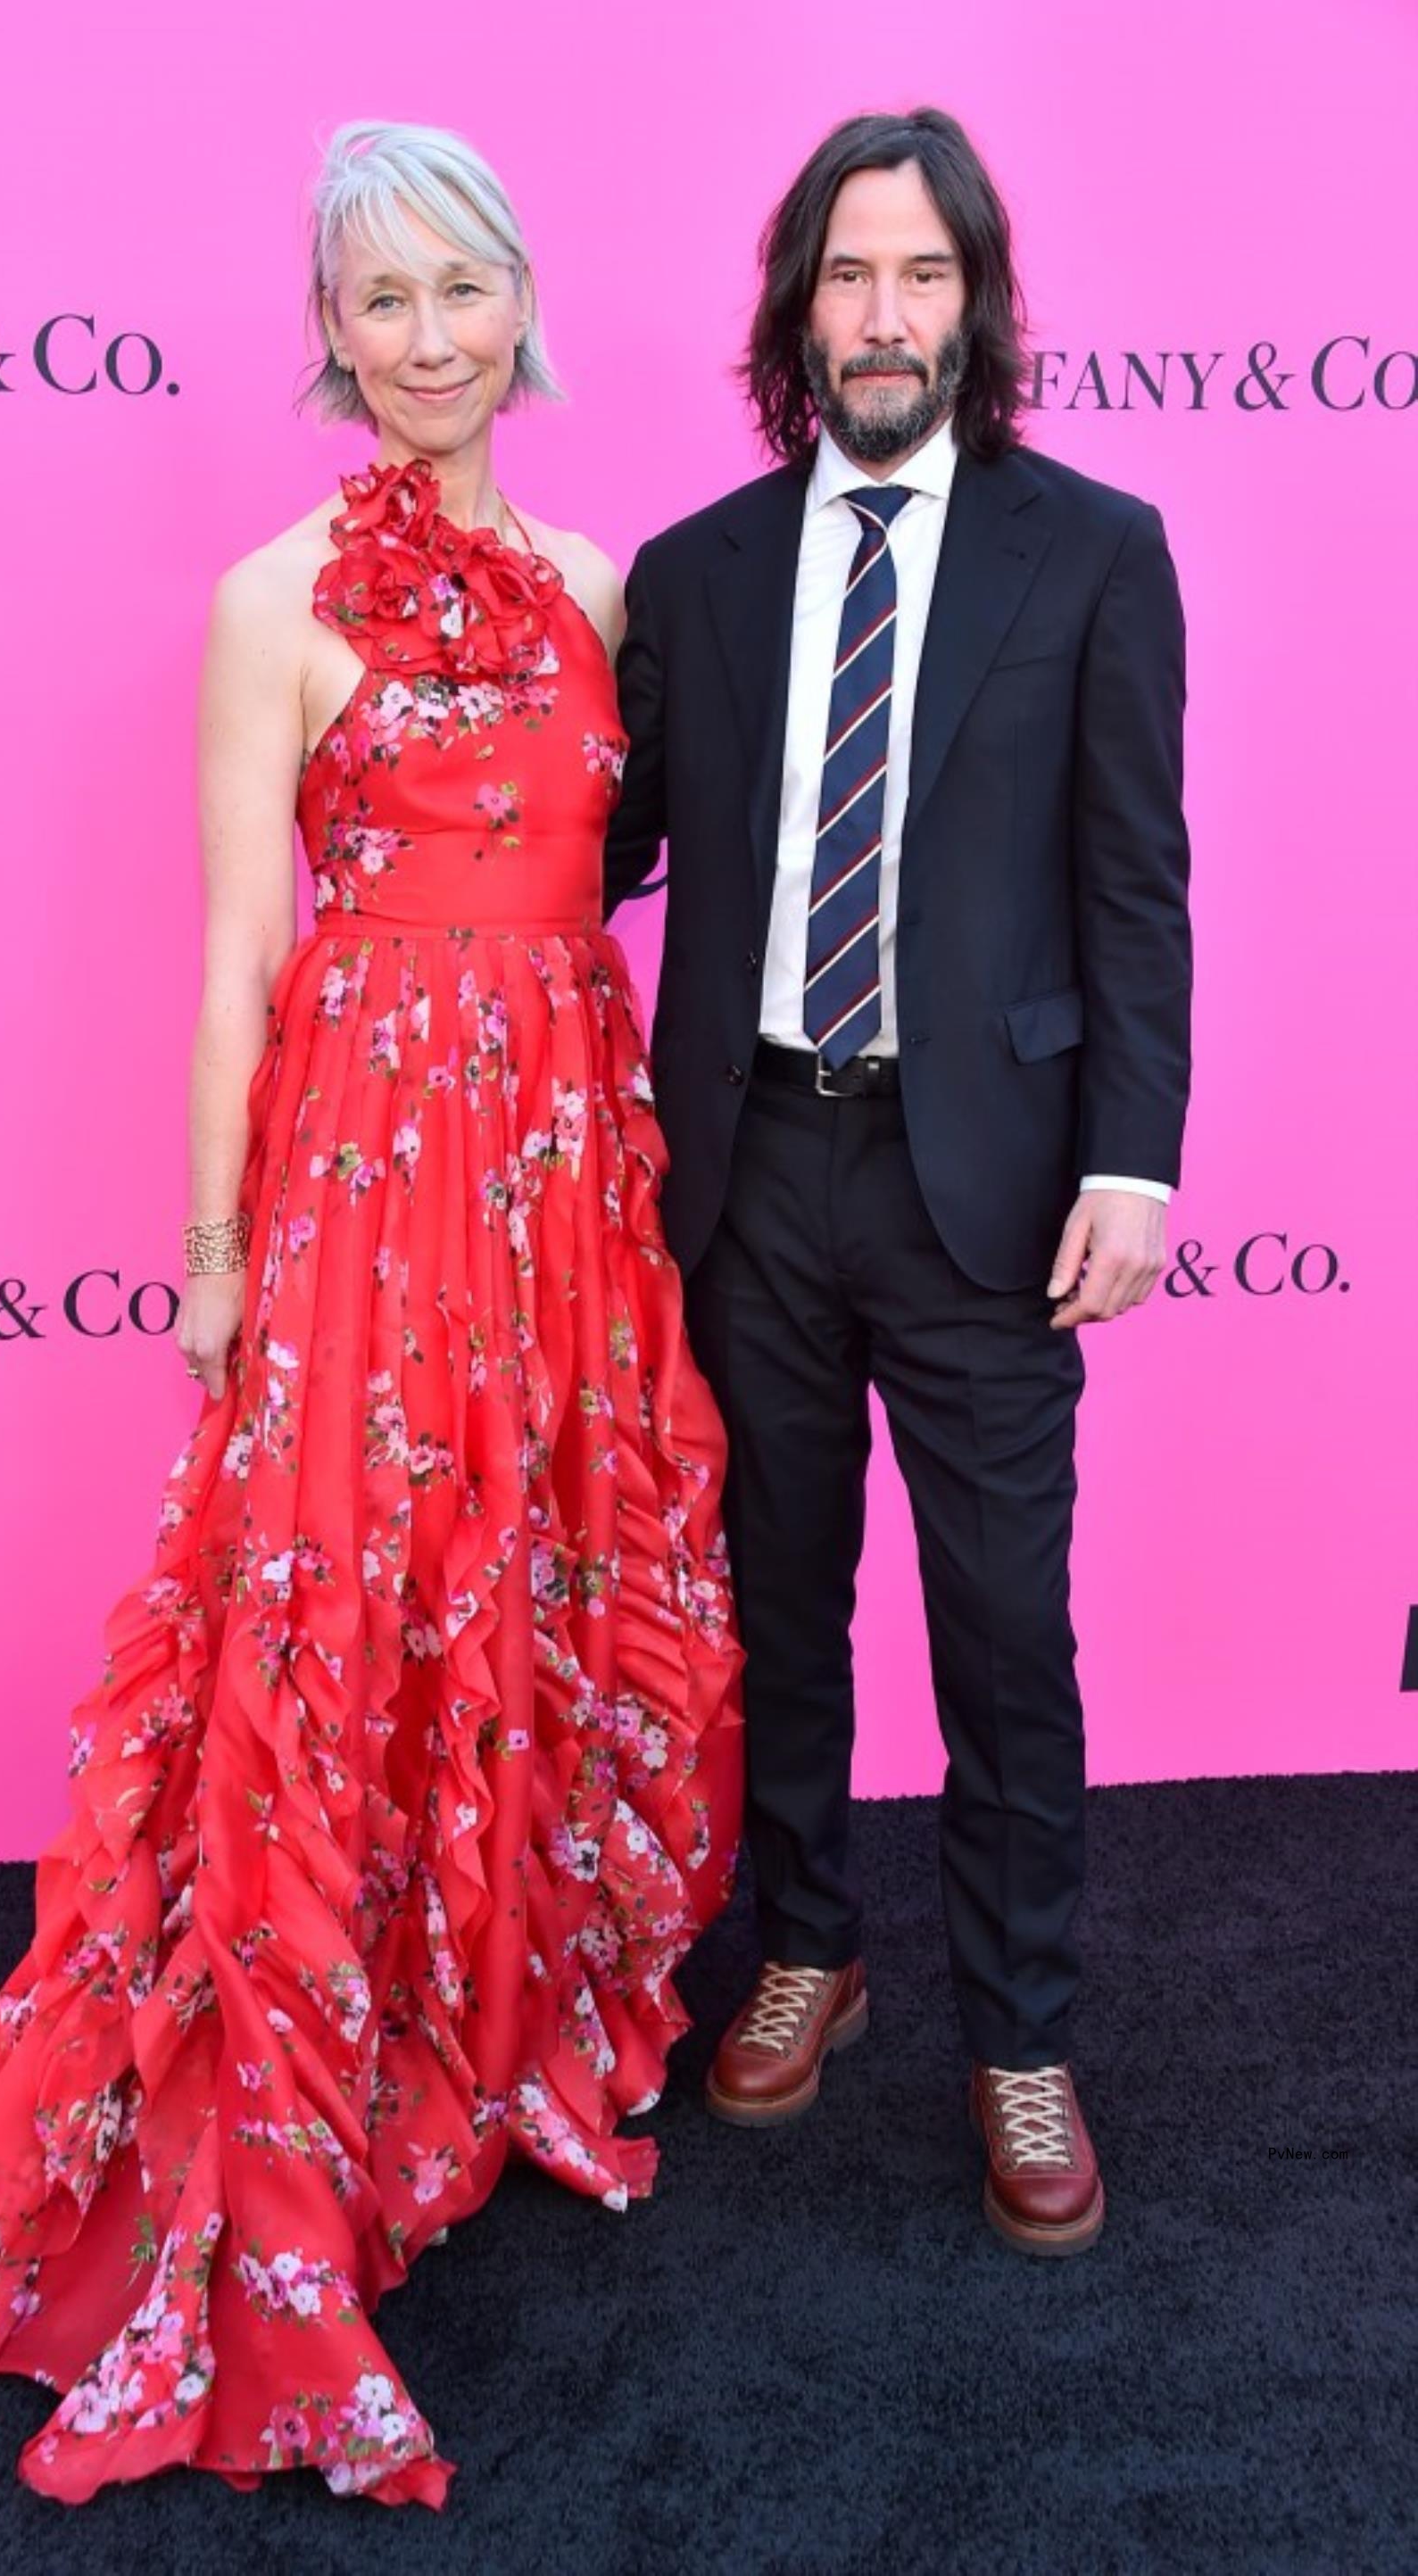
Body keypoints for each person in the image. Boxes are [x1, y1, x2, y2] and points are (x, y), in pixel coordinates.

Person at [0, 120, 742, 2504]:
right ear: (332, 333)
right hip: (367, 1171)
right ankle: (304, 2077)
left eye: (458, 289)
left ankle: (490, 2021)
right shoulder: (271, 593)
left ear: (527, 300)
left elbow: (616, 890)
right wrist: (219, 1258)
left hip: (564, 1171)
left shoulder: (609, 583)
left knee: (524, 1592)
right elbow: (234, 952)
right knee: (336, 1625)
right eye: (377, 300)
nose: (425, 337)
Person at [606, 108, 1190, 2256]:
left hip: (994, 1196)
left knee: (1004, 1632)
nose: (882, 316)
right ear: (797, 310)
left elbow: (1136, 884)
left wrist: (1131, 1159)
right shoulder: (693, 573)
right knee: (783, 1607)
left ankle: (1021, 2032)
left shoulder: (1096, 551)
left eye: (920, 276)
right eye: (848, 278)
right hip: (754, 1171)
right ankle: (807, 1943)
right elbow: (601, 844)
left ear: (976, 305)